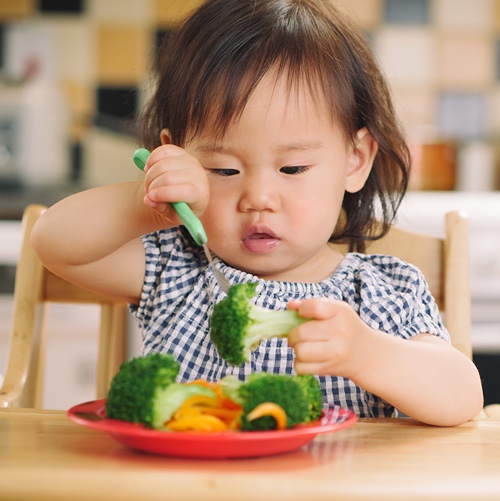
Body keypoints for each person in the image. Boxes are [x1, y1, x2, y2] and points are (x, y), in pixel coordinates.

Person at [31, 0, 483, 426]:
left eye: (292, 167)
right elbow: (54, 244)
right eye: (222, 169)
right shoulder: (180, 268)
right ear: (177, 155)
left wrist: (368, 355)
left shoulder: (383, 292)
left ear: (355, 160)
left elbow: (462, 397)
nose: (258, 198)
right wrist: (146, 205)